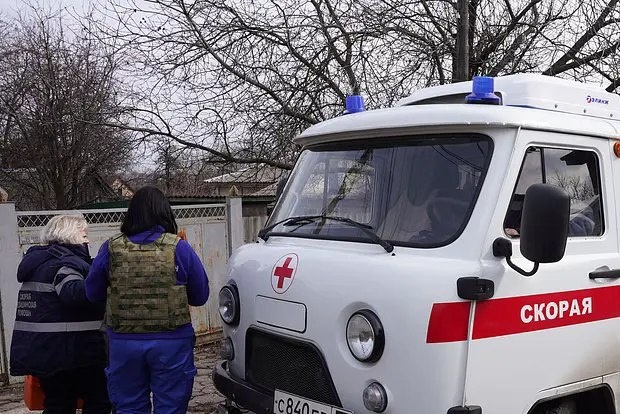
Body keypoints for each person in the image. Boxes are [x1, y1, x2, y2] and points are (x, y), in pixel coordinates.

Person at [85, 186, 209, 414]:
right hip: (172, 344)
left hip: (123, 343)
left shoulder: (111, 248)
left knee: (129, 407)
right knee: (171, 407)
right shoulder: (179, 248)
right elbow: (200, 296)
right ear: (165, 213)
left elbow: (92, 293)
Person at [10, 215, 111, 414]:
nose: (88, 241)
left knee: (58, 404)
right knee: (98, 401)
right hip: (76, 352)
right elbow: (72, 293)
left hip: (47, 353)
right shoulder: (65, 264)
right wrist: (101, 277)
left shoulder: (39, 263)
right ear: (70, 236)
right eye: (84, 236)